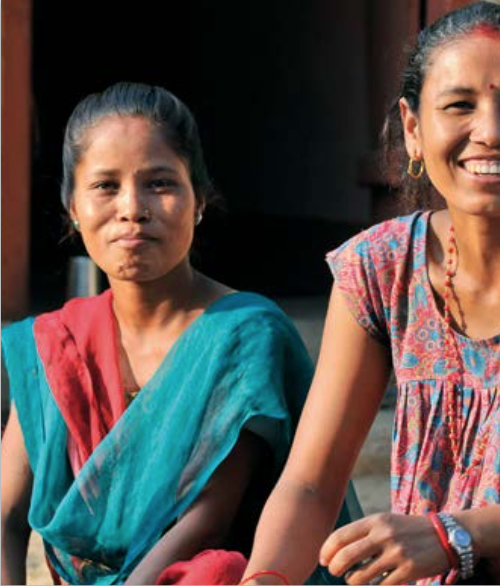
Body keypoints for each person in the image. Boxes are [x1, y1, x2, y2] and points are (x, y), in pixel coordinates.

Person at [241, 2, 500, 584]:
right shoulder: (378, 268)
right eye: (459, 106)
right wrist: (264, 578)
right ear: (414, 127)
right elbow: (310, 484)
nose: (491, 132)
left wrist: (455, 535)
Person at [0, 82, 358, 585]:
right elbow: (5, 518)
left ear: (200, 201)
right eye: (105, 186)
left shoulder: (244, 335)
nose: (132, 208)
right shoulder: (55, 343)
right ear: (72, 208)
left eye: (160, 184)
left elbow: (203, 521)